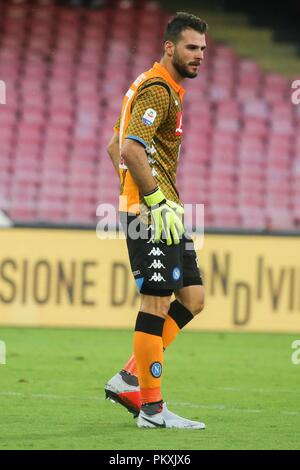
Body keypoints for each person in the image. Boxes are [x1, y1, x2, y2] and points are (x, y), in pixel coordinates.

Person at [105, 12, 208, 429]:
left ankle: (129, 377)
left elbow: (114, 144)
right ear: (169, 47)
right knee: (155, 302)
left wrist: (142, 194)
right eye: (191, 47)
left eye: (203, 48)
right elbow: (129, 149)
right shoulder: (158, 88)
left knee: (193, 298)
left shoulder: (160, 88)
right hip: (152, 213)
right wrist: (148, 199)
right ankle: (151, 409)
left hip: (162, 210)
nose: (200, 55)